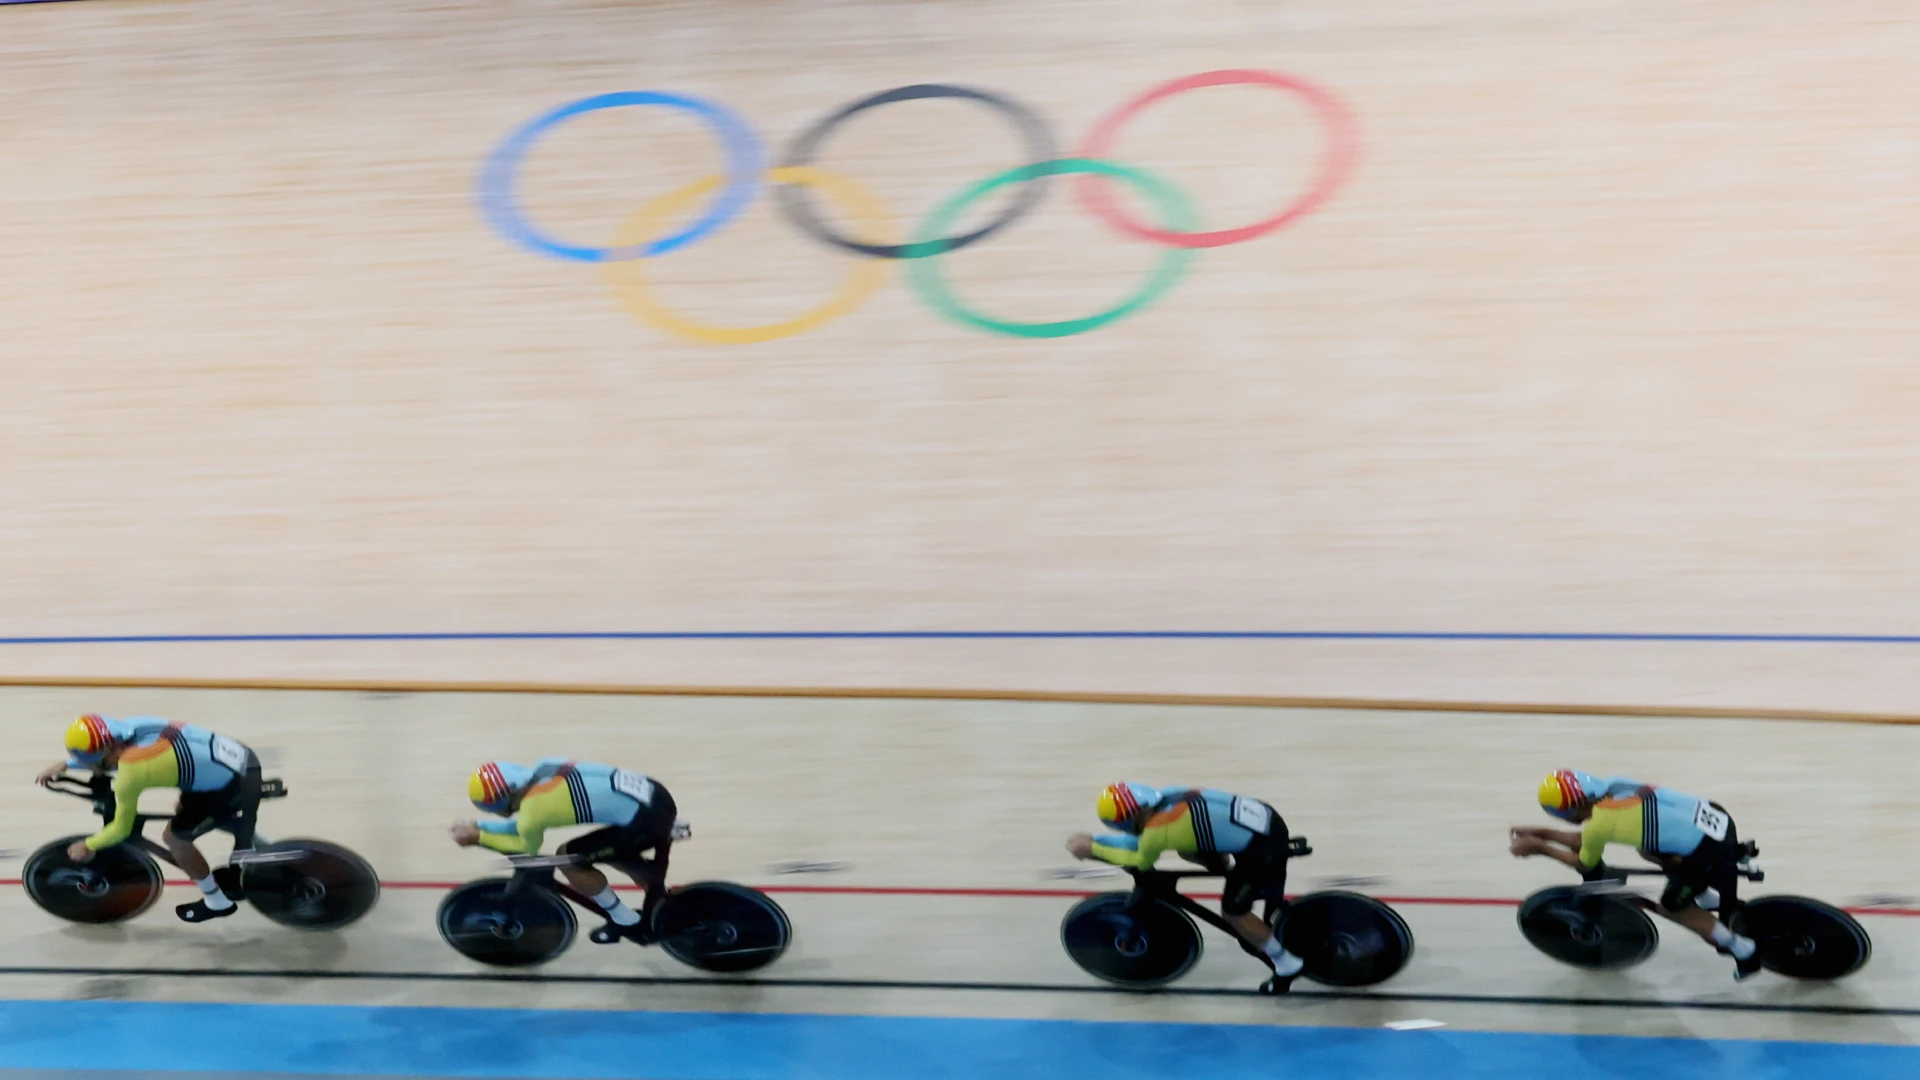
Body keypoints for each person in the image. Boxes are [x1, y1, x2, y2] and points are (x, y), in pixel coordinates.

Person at [1510, 768, 1762, 979]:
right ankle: (1705, 896)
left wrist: (1541, 849)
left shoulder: (1600, 824)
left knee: (1672, 907)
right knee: (1647, 847)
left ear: (1574, 806)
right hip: (1718, 820)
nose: (1561, 818)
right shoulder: (1615, 786)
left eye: (1558, 813)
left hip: (1708, 851)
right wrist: (1541, 835)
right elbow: (1584, 839)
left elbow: (1584, 862)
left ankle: (1743, 950)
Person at [1066, 782, 1306, 993]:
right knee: (1188, 847)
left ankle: (1287, 964)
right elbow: (1136, 841)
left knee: (1233, 911)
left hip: (1263, 849)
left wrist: (1093, 849)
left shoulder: (1161, 828)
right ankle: (1231, 870)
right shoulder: (1167, 796)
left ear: (1134, 815)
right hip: (1264, 821)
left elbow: (1140, 858)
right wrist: (1095, 842)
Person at [35, 714, 262, 923]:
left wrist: (88, 844)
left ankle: (217, 902)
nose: (89, 766)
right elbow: (108, 758)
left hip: (233, 784)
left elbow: (122, 828)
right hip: (239, 759)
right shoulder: (132, 727)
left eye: (88, 760)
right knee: (184, 809)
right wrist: (68, 764)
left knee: (175, 838)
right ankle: (247, 837)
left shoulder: (133, 769)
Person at [449, 759, 678, 939]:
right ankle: (658, 891)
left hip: (647, 822)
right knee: (604, 849)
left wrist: (479, 838)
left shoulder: (534, 810)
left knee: (569, 859)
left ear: (500, 801)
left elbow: (525, 847)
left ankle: (624, 920)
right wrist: (479, 826)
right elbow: (519, 825)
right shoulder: (546, 766)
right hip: (656, 795)